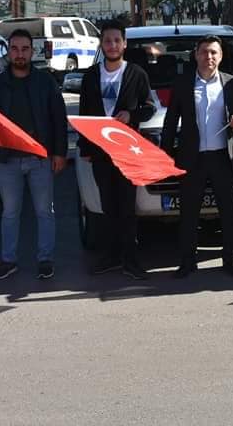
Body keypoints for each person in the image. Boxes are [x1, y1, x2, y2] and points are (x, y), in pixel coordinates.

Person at [0, 29, 68, 281]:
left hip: (39, 158)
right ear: (8, 52)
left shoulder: (45, 82)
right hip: (7, 160)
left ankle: (45, 260)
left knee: (45, 211)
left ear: (32, 51)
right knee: (10, 212)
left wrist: (60, 153)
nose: (19, 54)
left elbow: (58, 119)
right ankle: (8, 260)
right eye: (14, 49)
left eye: (24, 49)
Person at [161, 35, 233, 278]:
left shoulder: (231, 83)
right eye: (204, 52)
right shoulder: (183, 83)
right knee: (188, 212)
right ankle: (187, 262)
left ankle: (230, 260)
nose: (209, 57)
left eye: (214, 53)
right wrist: (166, 154)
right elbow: (170, 122)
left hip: (222, 157)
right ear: (196, 55)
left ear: (220, 56)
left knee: (228, 211)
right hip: (191, 158)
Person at [78, 20, 156, 280]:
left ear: (124, 44)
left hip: (127, 151)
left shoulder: (136, 73)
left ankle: (130, 259)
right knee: (108, 207)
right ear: (102, 45)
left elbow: (150, 107)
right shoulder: (90, 76)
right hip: (100, 153)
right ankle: (111, 256)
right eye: (107, 41)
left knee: (127, 207)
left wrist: (131, 114)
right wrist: (85, 148)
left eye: (116, 40)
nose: (112, 45)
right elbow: (84, 114)